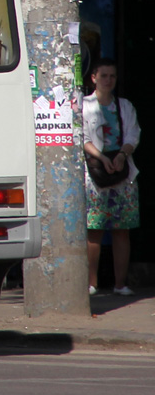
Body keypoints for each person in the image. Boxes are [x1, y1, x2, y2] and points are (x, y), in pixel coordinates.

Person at [83, 59, 141, 296]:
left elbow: (133, 134)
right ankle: (91, 283)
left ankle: (120, 284)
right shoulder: (84, 106)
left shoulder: (124, 106)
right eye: (104, 76)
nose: (108, 80)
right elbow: (83, 136)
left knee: (121, 229)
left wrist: (121, 155)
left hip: (122, 172)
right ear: (94, 78)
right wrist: (103, 158)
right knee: (94, 228)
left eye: (112, 76)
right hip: (96, 173)